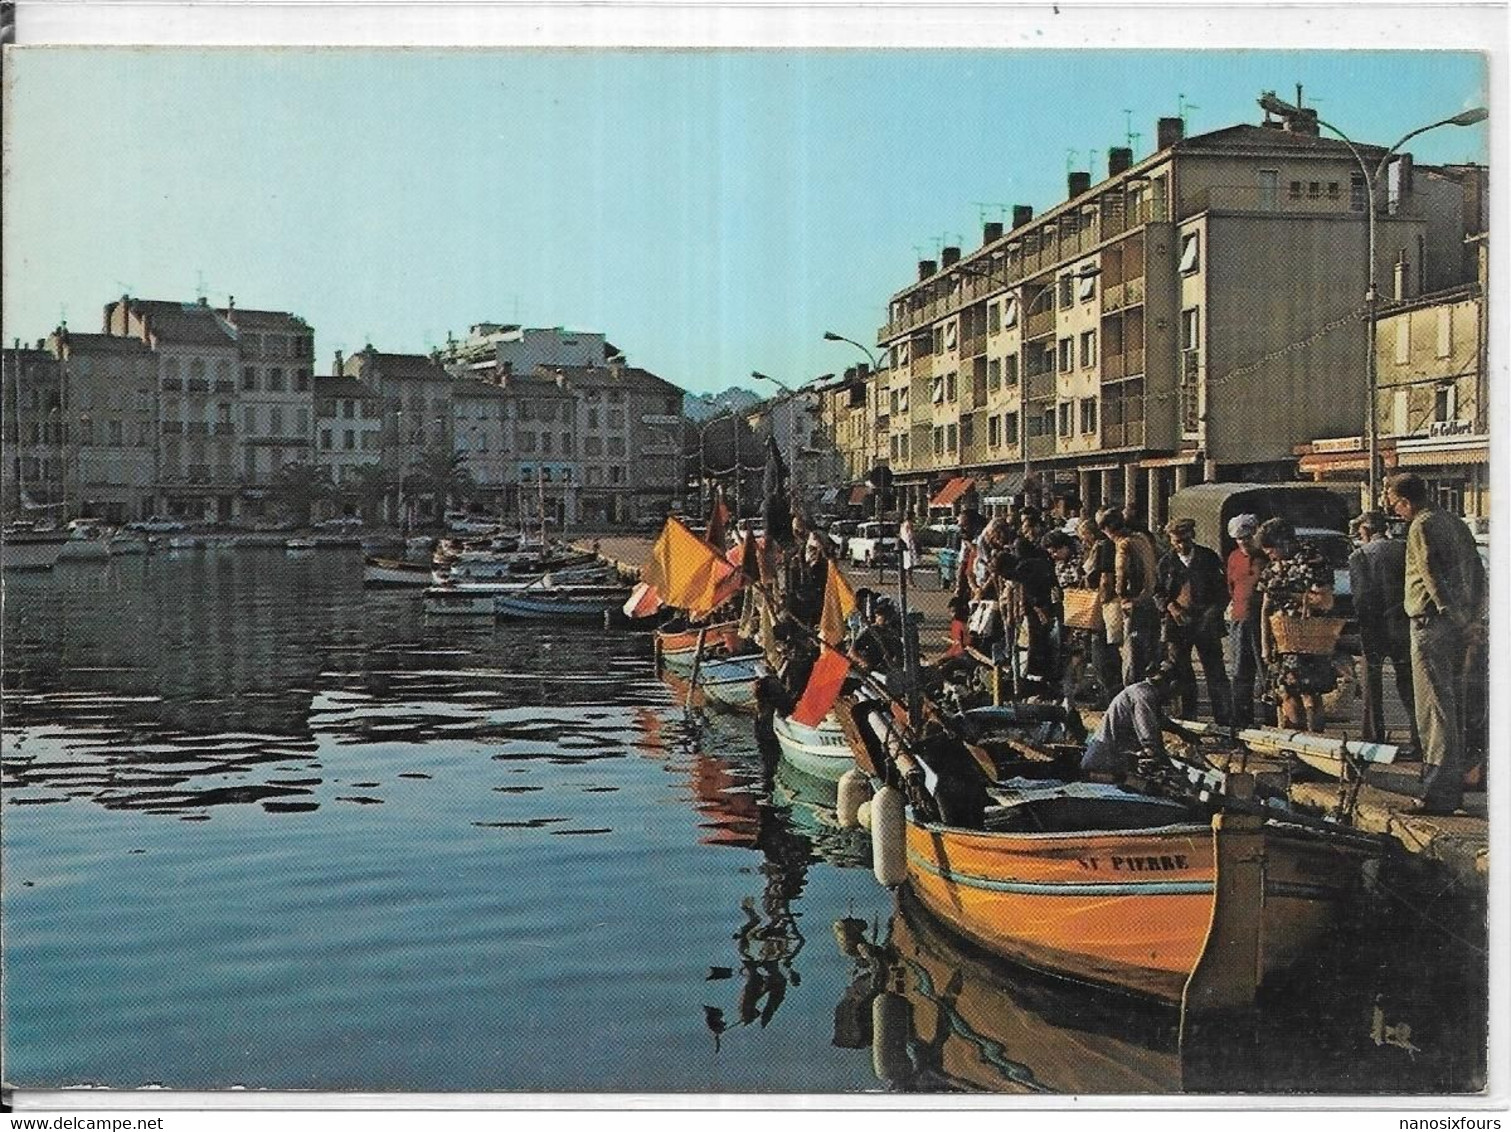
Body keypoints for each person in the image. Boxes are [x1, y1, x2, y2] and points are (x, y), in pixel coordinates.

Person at [1385, 472, 1487, 814]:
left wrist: (1455, 615)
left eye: (1395, 504)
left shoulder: (1421, 526)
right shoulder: (1455, 523)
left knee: (1434, 711)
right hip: (1457, 627)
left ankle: (1436, 793)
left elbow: (1430, 572)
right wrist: (1472, 619)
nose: (1395, 511)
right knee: (1452, 708)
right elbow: (1478, 571)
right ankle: (1452, 790)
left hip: (1431, 625)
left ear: (1406, 501)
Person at [1255, 517, 1336, 733]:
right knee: (1286, 692)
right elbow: (1266, 607)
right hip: (1281, 641)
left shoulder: (1313, 560)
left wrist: (1293, 596)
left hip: (1309, 637)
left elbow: (1325, 601)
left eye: (1271, 550)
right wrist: (1265, 644)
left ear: (1283, 543)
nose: (1269, 555)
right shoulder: (1273, 568)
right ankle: (1294, 748)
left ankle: (1315, 741)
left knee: (1312, 692)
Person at [1349, 510, 1417, 748]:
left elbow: (1360, 599)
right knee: (1408, 684)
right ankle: (1417, 737)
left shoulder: (1360, 556)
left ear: (1366, 531)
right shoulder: (1404, 549)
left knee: (1372, 685)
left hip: (1374, 629)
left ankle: (1373, 737)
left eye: (1360, 533)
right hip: (1403, 626)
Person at [1154, 517, 1232, 726]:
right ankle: (1188, 720)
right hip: (1178, 623)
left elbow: (1223, 591)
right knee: (1180, 672)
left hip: (1206, 622)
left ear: (1192, 537)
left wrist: (1212, 612)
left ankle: (1224, 721)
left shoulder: (1208, 558)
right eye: (1177, 541)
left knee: (1215, 671)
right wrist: (1170, 607)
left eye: (1185, 540)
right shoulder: (1166, 562)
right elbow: (1158, 592)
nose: (1182, 545)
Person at [1080, 660, 1186, 777]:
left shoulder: (1144, 691)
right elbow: (1148, 736)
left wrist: (1182, 732)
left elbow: (1159, 720)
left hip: (1111, 754)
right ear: (1171, 684)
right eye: (1174, 693)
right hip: (1104, 758)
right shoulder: (1144, 697)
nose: (1172, 699)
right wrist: (1166, 762)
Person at [1099, 508, 1159, 688]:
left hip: (1133, 602)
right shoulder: (1142, 539)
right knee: (1148, 652)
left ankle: (1131, 693)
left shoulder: (1123, 544)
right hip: (1149, 599)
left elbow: (1122, 573)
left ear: (1109, 528)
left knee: (1131, 654)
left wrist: (1121, 595)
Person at [1224, 513, 1265, 730]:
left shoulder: (1264, 557)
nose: (1244, 543)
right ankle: (1241, 723)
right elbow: (1231, 587)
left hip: (1263, 622)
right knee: (1240, 672)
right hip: (1239, 619)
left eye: (1248, 538)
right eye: (1240, 539)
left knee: (1265, 672)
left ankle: (1271, 721)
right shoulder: (1233, 558)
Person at [1079, 516, 1122, 701]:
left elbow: (1104, 578)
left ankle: (1108, 691)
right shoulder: (1100, 547)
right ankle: (1108, 688)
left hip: (1101, 603)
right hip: (1101, 602)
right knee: (1103, 649)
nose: (1083, 540)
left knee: (1101, 649)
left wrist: (1101, 600)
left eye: (1084, 535)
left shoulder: (1103, 547)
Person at [898, 510, 919, 581]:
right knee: (910, 562)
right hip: (909, 544)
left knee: (906, 562)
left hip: (905, 544)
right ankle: (909, 579)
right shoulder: (909, 524)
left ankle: (907, 578)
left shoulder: (902, 524)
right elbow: (911, 534)